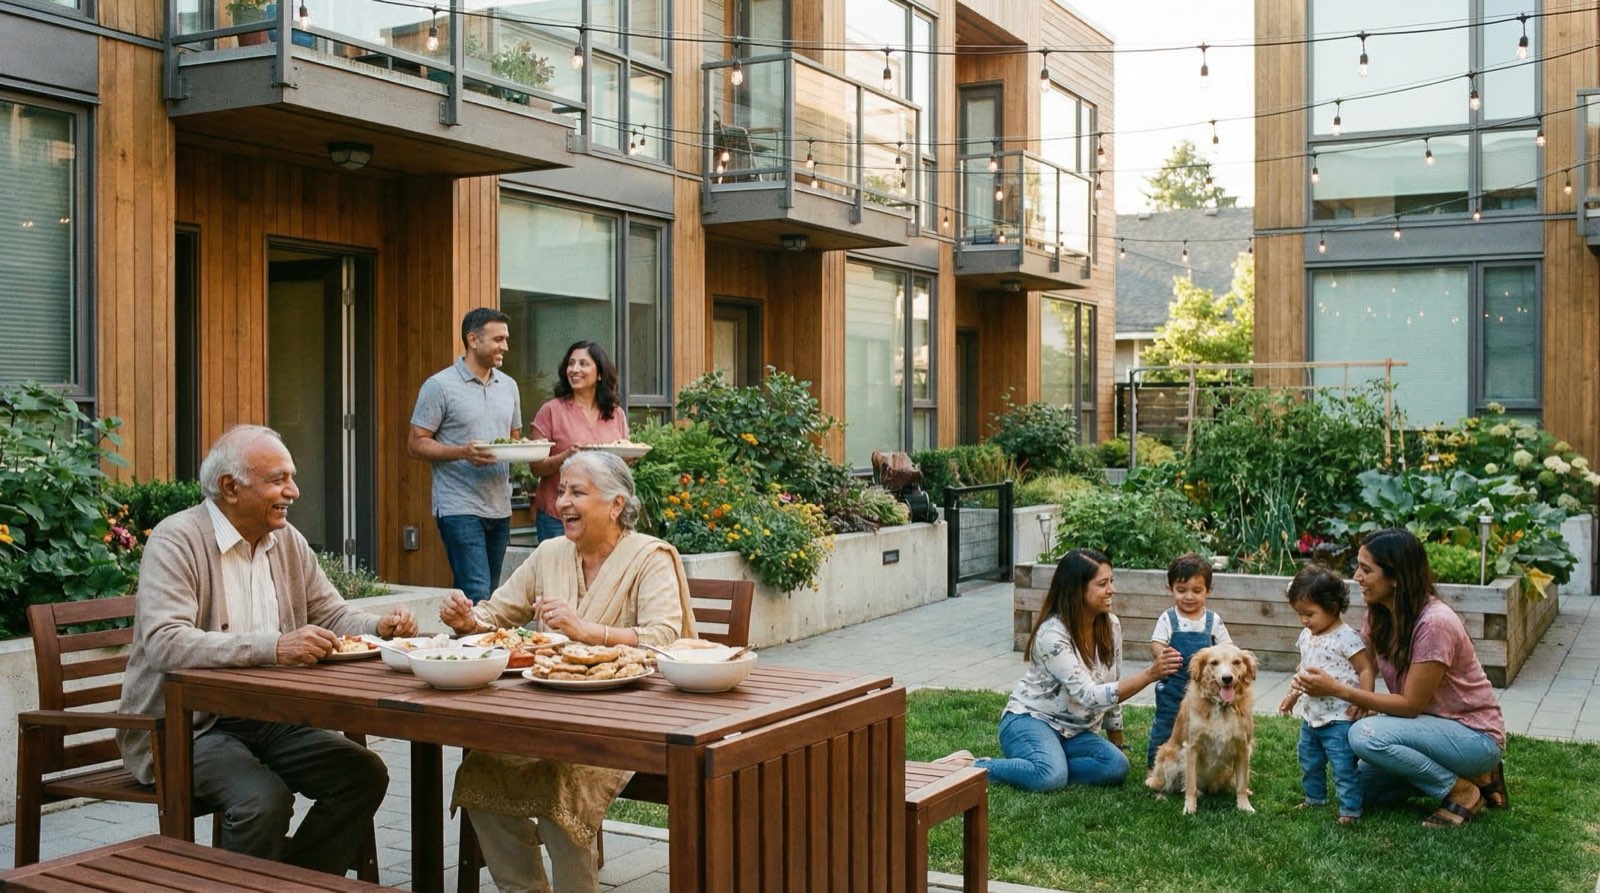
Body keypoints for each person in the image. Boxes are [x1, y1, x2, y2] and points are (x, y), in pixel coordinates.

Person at [116, 425, 418, 873]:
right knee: (262, 801)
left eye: (291, 478)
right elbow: (165, 642)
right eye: (278, 480)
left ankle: (294, 881)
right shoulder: (177, 539)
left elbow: (331, 615)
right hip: (185, 727)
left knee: (362, 774)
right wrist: (273, 647)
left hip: (270, 716)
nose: (292, 491)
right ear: (229, 487)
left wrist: (380, 627)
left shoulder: (287, 542)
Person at [438, 450, 694, 893]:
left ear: (616, 505)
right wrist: (468, 621)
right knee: (480, 770)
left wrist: (588, 631)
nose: (563, 503)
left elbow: (665, 638)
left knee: (562, 785)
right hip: (545, 714)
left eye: (577, 492)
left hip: (624, 722)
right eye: (561, 492)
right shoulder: (550, 552)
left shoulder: (649, 557)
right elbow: (497, 614)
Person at [1294, 528, 1508, 829]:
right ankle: (1478, 777)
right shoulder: (1379, 612)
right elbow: (1363, 664)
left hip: (1473, 735)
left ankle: (1463, 791)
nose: (1356, 576)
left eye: (1366, 569)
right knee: (1360, 789)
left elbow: (1409, 705)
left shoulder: (1435, 623)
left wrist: (1341, 692)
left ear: (1395, 577)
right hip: (1421, 732)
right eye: (1358, 566)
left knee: (1365, 736)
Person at [940, 548, 1182, 791]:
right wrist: (1150, 674)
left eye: (1111, 581)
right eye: (1102, 584)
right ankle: (969, 767)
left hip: (1074, 732)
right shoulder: (1052, 635)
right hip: (1031, 720)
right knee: (1049, 778)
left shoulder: (1111, 625)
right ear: (1077, 589)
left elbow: (1112, 686)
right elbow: (1089, 696)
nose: (1112, 590)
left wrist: (1116, 742)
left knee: (1116, 766)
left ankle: (1049, 762)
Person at [409, 307, 523, 603]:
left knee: (490, 596)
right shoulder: (439, 386)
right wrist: (462, 452)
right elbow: (416, 443)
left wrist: (530, 450)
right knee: (475, 592)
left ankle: (471, 645)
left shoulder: (509, 386)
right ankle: (473, 648)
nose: (505, 347)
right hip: (458, 506)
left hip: (500, 505)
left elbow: (514, 440)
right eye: (498, 339)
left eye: (506, 339)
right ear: (473, 340)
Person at [1276, 562, 1375, 825]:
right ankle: (1314, 798)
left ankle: (1350, 810)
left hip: (1340, 718)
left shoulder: (1347, 638)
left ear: (1332, 608)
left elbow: (1366, 669)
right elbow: (1304, 672)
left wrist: (1364, 700)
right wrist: (1292, 695)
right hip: (1312, 717)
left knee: (1343, 767)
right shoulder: (1307, 636)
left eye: (1309, 613)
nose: (1304, 620)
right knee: (1309, 761)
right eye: (1299, 614)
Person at [526, 340, 629, 543]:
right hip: (560, 515)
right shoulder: (551, 411)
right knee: (560, 573)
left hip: (603, 514)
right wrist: (565, 458)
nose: (574, 369)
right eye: (571, 364)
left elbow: (623, 456)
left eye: (583, 364)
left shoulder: (615, 414)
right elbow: (536, 468)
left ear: (600, 373)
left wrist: (625, 461)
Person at [1145, 552, 1233, 767]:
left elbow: (1227, 648)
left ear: (1208, 591)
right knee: (1166, 725)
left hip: (1203, 689)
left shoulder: (1212, 620)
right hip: (1173, 687)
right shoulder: (1168, 618)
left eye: (1197, 591)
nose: (1189, 597)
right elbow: (1156, 642)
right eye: (1181, 590)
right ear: (1170, 588)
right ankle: (1156, 766)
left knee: (1202, 725)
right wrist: (1161, 654)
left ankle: (1202, 764)